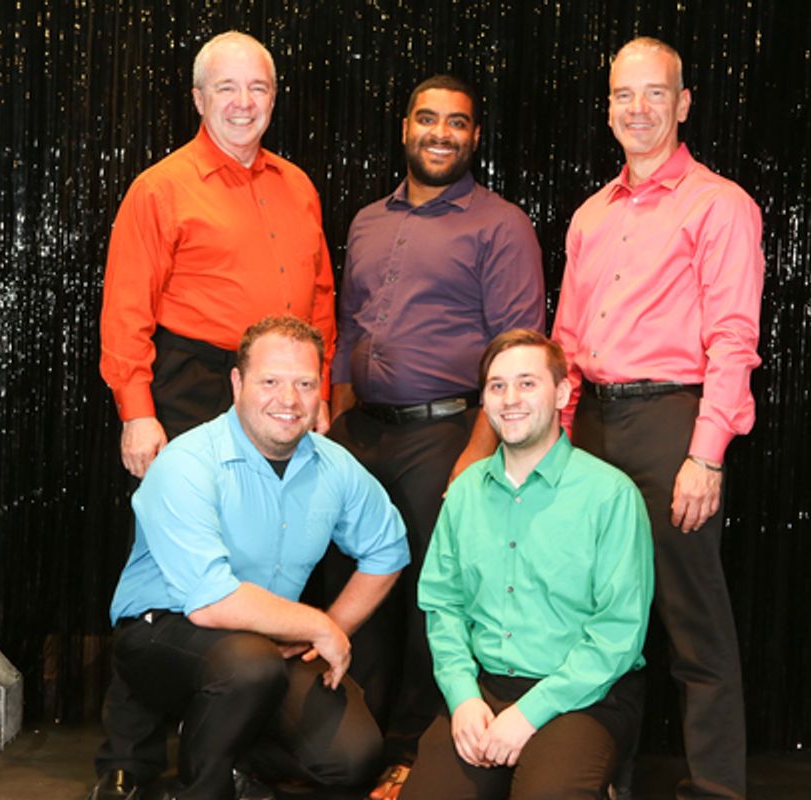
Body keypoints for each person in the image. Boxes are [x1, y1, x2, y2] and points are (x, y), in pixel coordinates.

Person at [552, 37, 765, 800]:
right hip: (592, 425)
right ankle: (602, 779)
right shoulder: (589, 215)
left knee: (692, 620)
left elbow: (733, 338)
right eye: (623, 95)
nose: (637, 109)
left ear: (683, 104)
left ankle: (716, 789)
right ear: (607, 107)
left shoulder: (720, 204)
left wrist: (705, 455)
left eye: (654, 93)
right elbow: (565, 342)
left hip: (672, 423)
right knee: (598, 620)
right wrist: (556, 442)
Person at [327, 74, 545, 797]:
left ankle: (413, 751)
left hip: (446, 434)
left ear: (475, 136)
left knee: (433, 600)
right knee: (354, 589)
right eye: (428, 118)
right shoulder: (367, 220)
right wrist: (335, 429)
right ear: (405, 128)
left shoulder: (501, 225)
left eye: (456, 122)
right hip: (360, 434)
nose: (440, 133)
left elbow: (516, 347)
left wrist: (475, 454)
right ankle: (345, 747)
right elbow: (349, 330)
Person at [89, 316, 409, 800]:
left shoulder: (334, 465)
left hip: (265, 642)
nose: (289, 400)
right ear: (237, 384)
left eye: (305, 384)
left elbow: (387, 549)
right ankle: (199, 790)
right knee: (248, 665)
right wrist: (318, 626)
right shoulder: (188, 462)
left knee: (353, 756)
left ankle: (231, 754)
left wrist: (330, 626)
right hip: (162, 633)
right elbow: (210, 602)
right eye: (271, 382)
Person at [402, 329, 653, 799]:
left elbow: (618, 633)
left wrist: (528, 714)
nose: (510, 399)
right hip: (485, 686)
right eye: (497, 386)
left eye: (527, 383)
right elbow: (443, 605)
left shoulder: (611, 495)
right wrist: (462, 696)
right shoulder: (464, 492)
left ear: (561, 393)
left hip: (583, 695)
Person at [100, 31, 336, 480]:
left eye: (257, 88)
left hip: (284, 392)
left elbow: (322, 297)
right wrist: (137, 414)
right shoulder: (159, 189)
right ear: (198, 99)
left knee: (278, 517)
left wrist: (318, 389)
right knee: (193, 517)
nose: (243, 102)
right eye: (226, 87)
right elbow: (125, 313)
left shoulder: (299, 187)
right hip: (193, 388)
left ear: (273, 98)